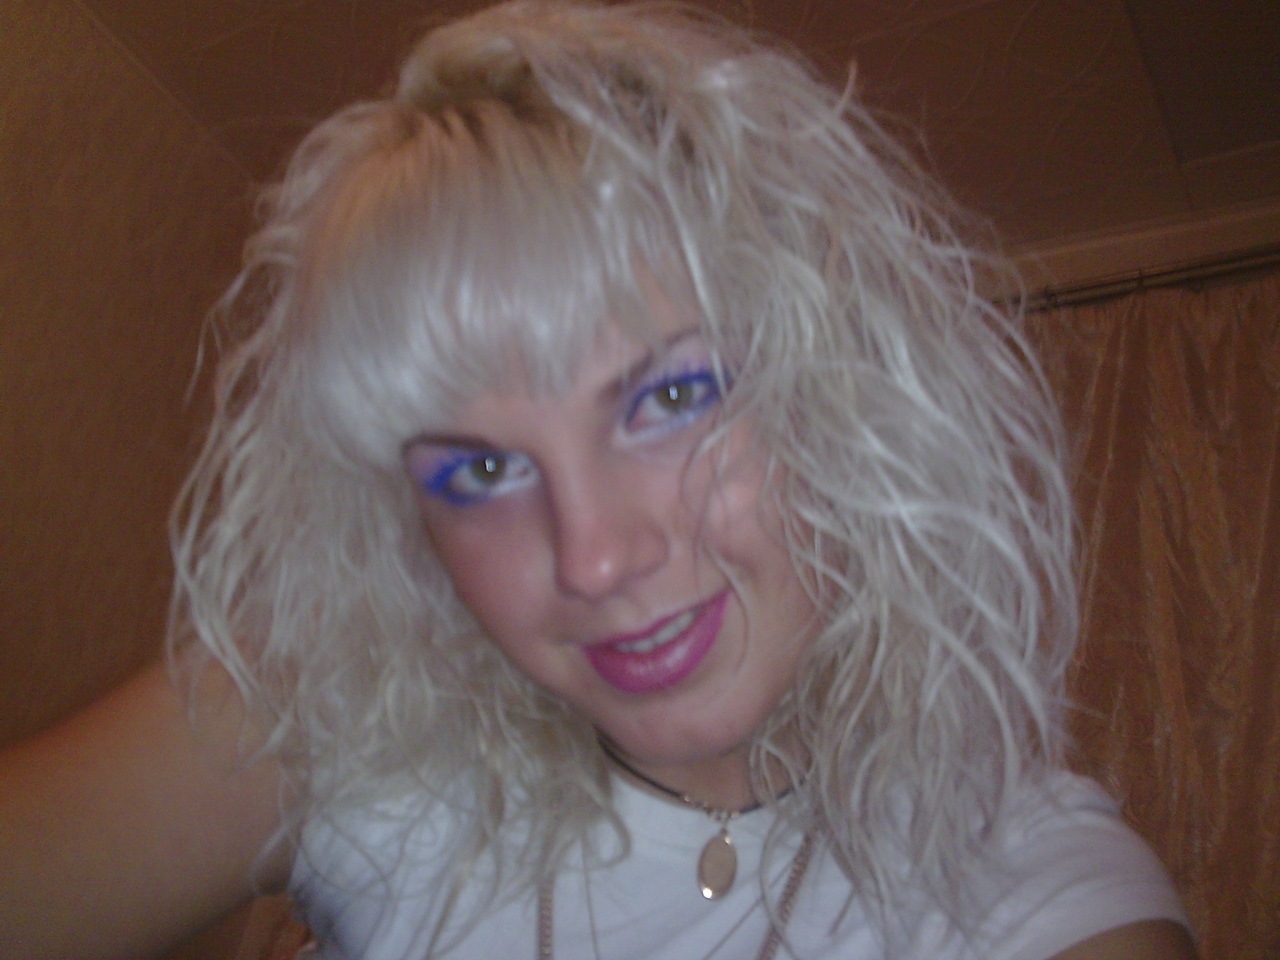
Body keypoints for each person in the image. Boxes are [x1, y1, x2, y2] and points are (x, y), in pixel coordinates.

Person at [0, 2, 1196, 958]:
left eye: (670, 398)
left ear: (834, 390)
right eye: (481, 468)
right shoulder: (333, 711)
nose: (593, 556)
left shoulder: (1035, 887)